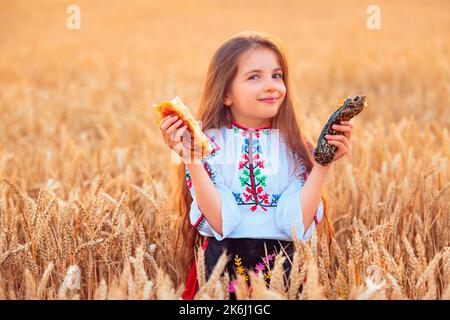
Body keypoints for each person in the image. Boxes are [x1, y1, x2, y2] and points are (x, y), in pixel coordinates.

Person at [158, 31, 354, 299]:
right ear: (226, 93)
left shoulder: (295, 147)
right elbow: (221, 221)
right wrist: (192, 159)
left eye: (277, 75)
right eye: (254, 77)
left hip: (284, 271)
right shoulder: (209, 145)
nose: (272, 85)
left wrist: (322, 164)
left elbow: (295, 226)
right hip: (221, 269)